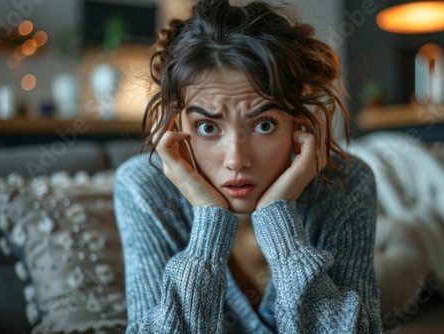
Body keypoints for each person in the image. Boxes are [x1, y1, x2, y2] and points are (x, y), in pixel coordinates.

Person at [114, 0, 383, 332]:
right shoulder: (143, 188)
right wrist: (209, 224)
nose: (237, 159)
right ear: (175, 124)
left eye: (264, 125)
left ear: (299, 121)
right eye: (208, 128)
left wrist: (280, 219)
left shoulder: (347, 183)